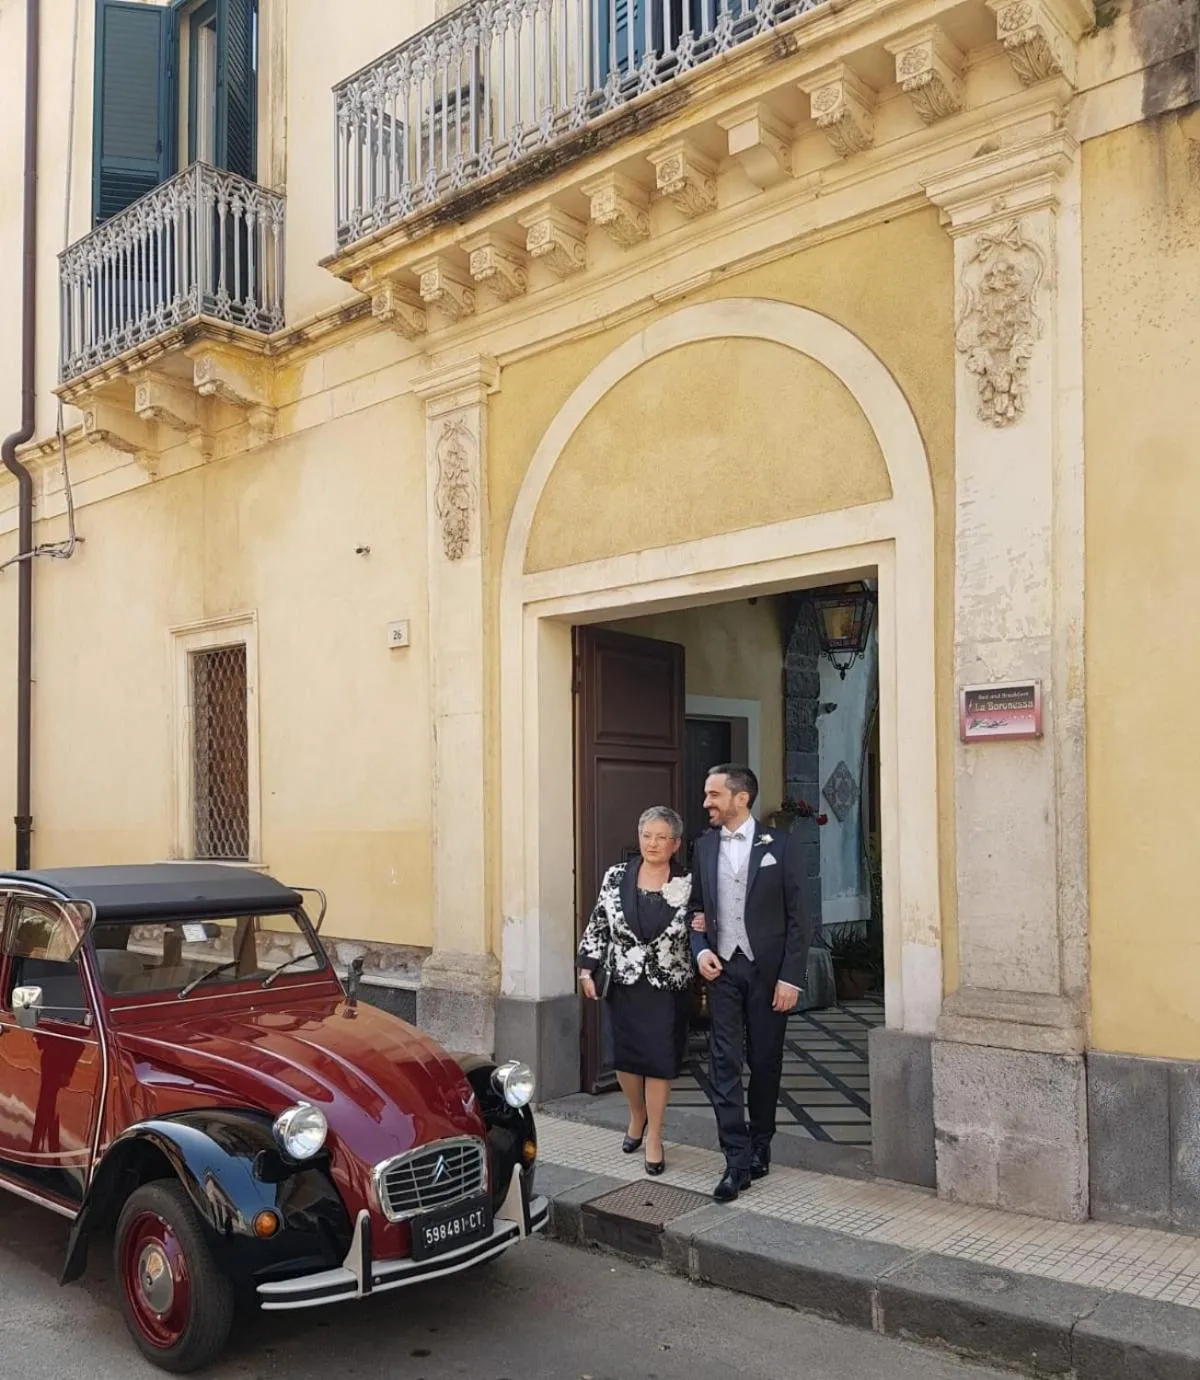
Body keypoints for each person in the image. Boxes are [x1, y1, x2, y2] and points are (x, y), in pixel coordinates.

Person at [689, 764, 812, 1202]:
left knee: (764, 1062)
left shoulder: (781, 845)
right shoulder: (703, 847)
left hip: (768, 972)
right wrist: (700, 949)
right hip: (722, 970)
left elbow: (800, 918)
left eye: (714, 795)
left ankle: (761, 1143)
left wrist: (790, 979)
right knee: (723, 1064)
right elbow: (696, 910)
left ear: (741, 798)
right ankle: (735, 1160)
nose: (707, 803)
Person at [577, 806, 695, 1175]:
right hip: (623, 981)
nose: (653, 843)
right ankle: (637, 1114)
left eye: (662, 837)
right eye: (647, 836)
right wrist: (586, 968)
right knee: (625, 1061)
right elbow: (598, 923)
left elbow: (701, 930)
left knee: (659, 1063)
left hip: (666, 986)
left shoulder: (690, 882)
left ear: (675, 844)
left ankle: (655, 1136)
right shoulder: (616, 876)